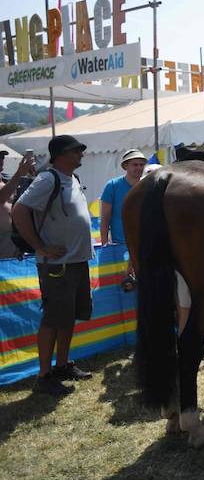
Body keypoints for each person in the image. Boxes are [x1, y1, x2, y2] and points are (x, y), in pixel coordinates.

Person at [11, 135, 94, 395]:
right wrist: (40, 247)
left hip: (76, 261)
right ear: (61, 154)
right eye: (76, 150)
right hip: (56, 264)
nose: (81, 153)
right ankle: (45, 375)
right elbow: (19, 211)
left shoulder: (72, 179)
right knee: (52, 319)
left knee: (67, 317)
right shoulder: (49, 178)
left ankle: (62, 365)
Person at [100, 149, 147, 247]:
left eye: (141, 165)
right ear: (126, 166)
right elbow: (105, 218)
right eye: (135, 164)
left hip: (145, 244)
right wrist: (104, 243)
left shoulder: (148, 186)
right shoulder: (112, 186)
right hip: (120, 245)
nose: (139, 168)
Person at [0, 151, 36, 258]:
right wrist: (19, 173)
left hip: (17, 234)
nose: (1, 160)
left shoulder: (7, 179)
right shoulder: (12, 180)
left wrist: (31, 175)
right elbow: (2, 197)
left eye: (2, 157)